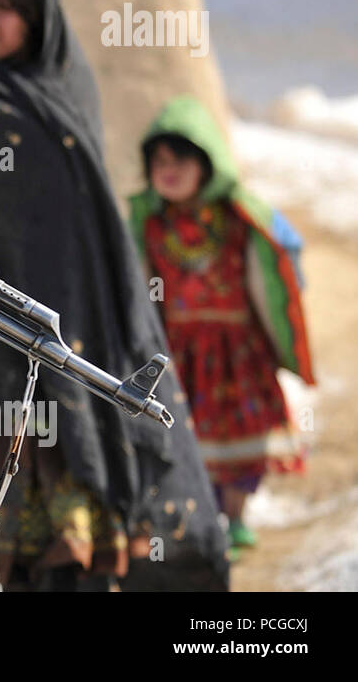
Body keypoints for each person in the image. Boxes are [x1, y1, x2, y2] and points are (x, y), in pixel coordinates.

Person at [0, 0, 229, 591]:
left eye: (2, 4)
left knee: (90, 550)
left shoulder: (66, 86)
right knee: (33, 556)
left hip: (84, 351)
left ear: (37, 9)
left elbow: (88, 230)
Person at [129, 95, 312, 554]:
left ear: (208, 164)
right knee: (193, 440)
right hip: (180, 350)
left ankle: (238, 515)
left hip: (238, 349)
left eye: (182, 159)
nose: (169, 170)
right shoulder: (147, 223)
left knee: (245, 436)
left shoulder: (240, 218)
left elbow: (280, 257)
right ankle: (209, 517)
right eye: (160, 161)